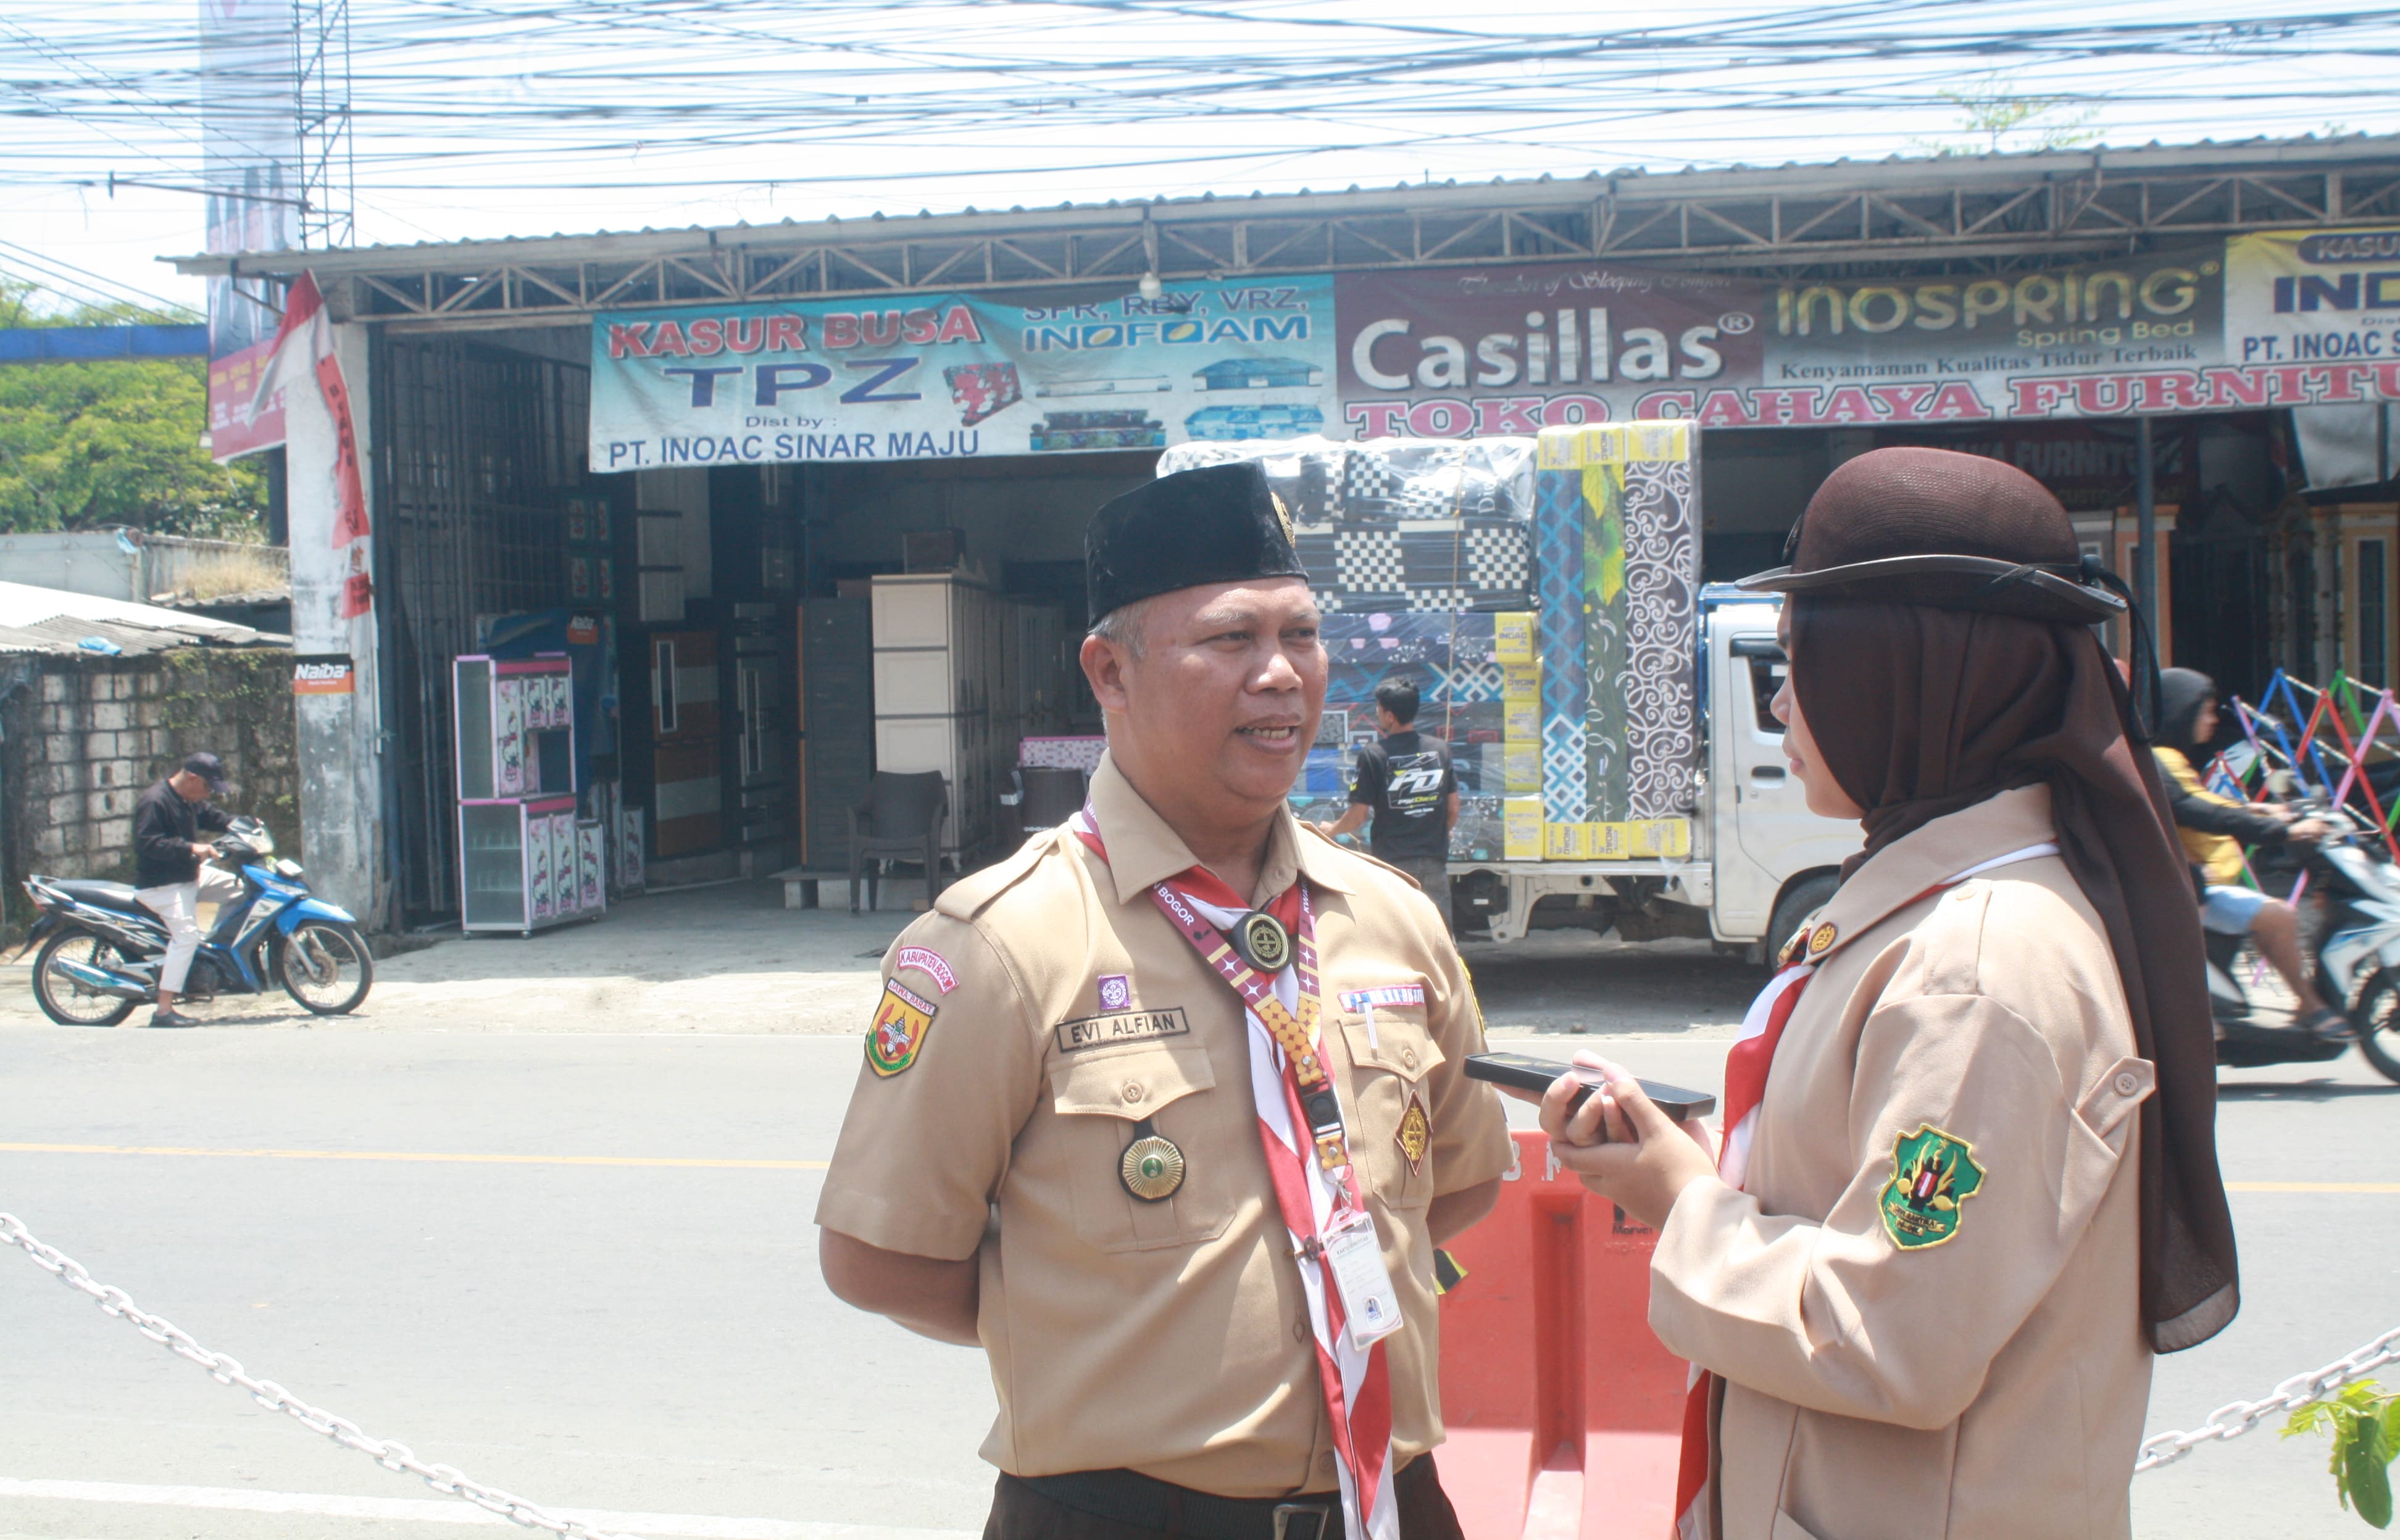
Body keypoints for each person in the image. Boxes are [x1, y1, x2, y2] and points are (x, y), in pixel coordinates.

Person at [1527, 449, 2237, 1540]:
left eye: (1800, 659)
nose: (1776, 699)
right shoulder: (1947, 899)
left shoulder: (1976, 962)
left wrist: (1680, 1196)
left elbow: (1889, 1335)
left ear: (1898, 673)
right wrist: (1718, 1147)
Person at [815, 460, 1514, 1540]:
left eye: (1300, 636)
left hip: (1391, 1505)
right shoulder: (1003, 941)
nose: (1280, 676)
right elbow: (881, 1255)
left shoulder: (1389, 918)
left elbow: (1454, 1186)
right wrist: (1088, 1329)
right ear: (1110, 671)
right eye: (1231, 640)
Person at [2152, 666, 2351, 1040]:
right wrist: (2284, 829)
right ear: (2182, 711)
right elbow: (2197, 811)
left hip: (2198, 889)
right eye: (2206, 711)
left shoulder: (2171, 760)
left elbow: (2204, 803)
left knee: (2278, 916)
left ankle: (2310, 1005)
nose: (2212, 721)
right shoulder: (2158, 760)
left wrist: (2268, 811)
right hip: (2178, 894)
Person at [1325, 676, 1459, 931]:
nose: (1377, 713)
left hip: (1393, 866)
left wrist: (1330, 831)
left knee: (1399, 939)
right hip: (1434, 861)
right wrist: (1437, 833)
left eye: (1378, 708)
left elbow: (1357, 816)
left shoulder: (1374, 755)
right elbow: (1453, 808)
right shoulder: (1440, 749)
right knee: (1441, 939)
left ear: (1389, 716)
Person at [131, 752, 238, 1028]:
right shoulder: (155, 801)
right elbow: (148, 843)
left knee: (242, 888)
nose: (209, 794)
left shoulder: (188, 800)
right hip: (162, 886)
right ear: (192, 777)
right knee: (188, 936)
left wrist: (241, 825)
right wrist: (192, 848)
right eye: (207, 787)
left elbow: (212, 816)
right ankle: (164, 1011)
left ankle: (218, 954)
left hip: (190, 876)